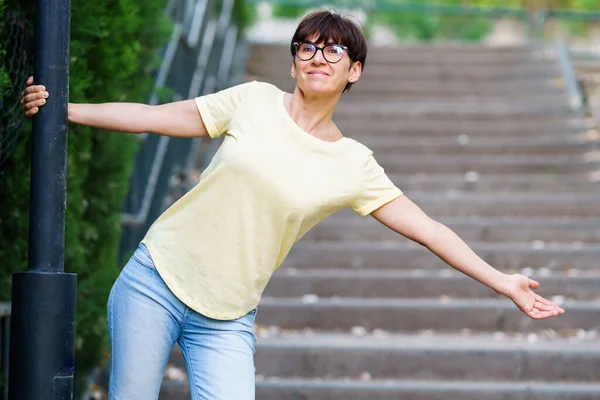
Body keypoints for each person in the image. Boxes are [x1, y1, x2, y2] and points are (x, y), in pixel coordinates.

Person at [20, 10, 565, 400]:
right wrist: (64, 107)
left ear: (354, 71)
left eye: (334, 49)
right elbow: (152, 115)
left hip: (228, 318)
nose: (317, 56)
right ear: (293, 63)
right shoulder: (252, 101)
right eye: (306, 46)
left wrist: (503, 281)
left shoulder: (353, 163)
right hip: (155, 281)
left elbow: (428, 228)